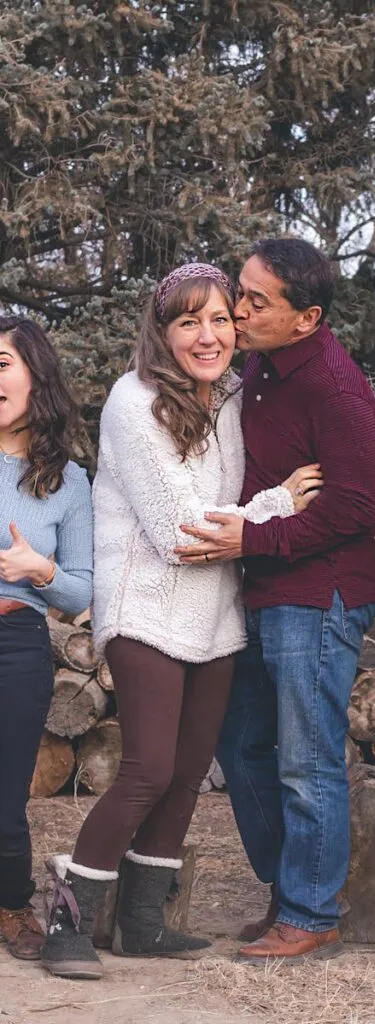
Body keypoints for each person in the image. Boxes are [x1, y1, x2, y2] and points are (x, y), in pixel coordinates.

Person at [41, 263, 322, 980]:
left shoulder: (232, 395)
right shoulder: (134, 401)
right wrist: (277, 505)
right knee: (148, 769)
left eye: (220, 319)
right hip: (144, 605)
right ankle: (66, 920)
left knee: (190, 771)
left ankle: (141, 924)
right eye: (188, 321)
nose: (208, 335)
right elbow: (179, 534)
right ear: (162, 332)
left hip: (215, 611)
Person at [175, 238, 375, 964]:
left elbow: (356, 508)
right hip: (263, 589)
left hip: (318, 597)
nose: (237, 309)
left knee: (306, 758)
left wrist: (252, 538)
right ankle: (295, 883)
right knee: (239, 743)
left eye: (256, 302)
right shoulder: (258, 368)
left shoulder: (335, 387)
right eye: (241, 290)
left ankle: (310, 911)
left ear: (307, 318)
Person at [0, 317, 93, 961]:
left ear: (37, 374)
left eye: (2, 363)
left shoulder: (67, 481)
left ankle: (11, 905)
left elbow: (81, 591)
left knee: (7, 792)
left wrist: (40, 570)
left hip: (17, 644)